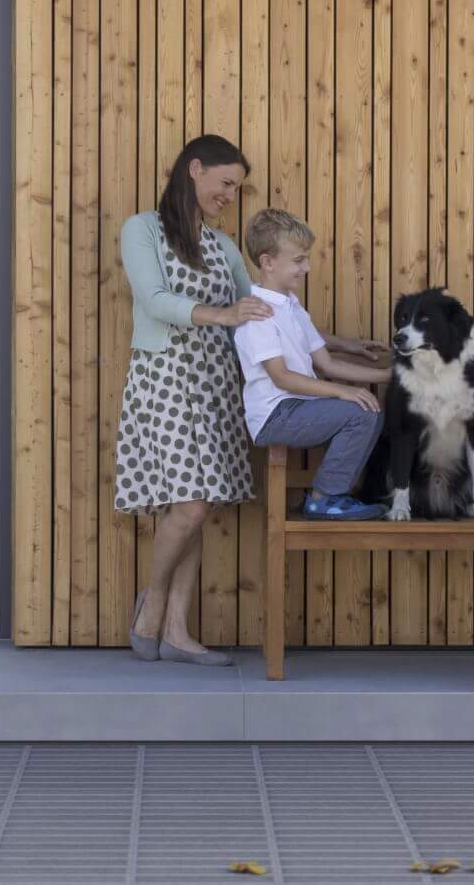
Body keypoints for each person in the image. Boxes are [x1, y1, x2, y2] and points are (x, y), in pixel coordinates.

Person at [114, 137, 383, 666]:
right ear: (195, 170)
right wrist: (221, 316)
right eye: (226, 183)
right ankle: (152, 605)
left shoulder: (221, 245)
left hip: (218, 381)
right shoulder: (142, 229)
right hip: (166, 376)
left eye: (236, 187)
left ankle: (176, 629)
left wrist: (341, 344)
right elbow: (154, 299)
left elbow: (267, 310)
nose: (230, 195)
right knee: (188, 505)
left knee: (200, 502)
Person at [231, 210, 390, 523]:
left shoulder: (291, 305)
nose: (307, 267)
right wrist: (343, 392)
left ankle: (333, 494)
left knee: (368, 409)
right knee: (361, 413)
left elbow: (326, 361)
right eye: (299, 260)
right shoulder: (258, 313)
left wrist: (387, 376)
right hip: (276, 415)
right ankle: (324, 499)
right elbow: (282, 378)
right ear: (267, 262)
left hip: (298, 407)